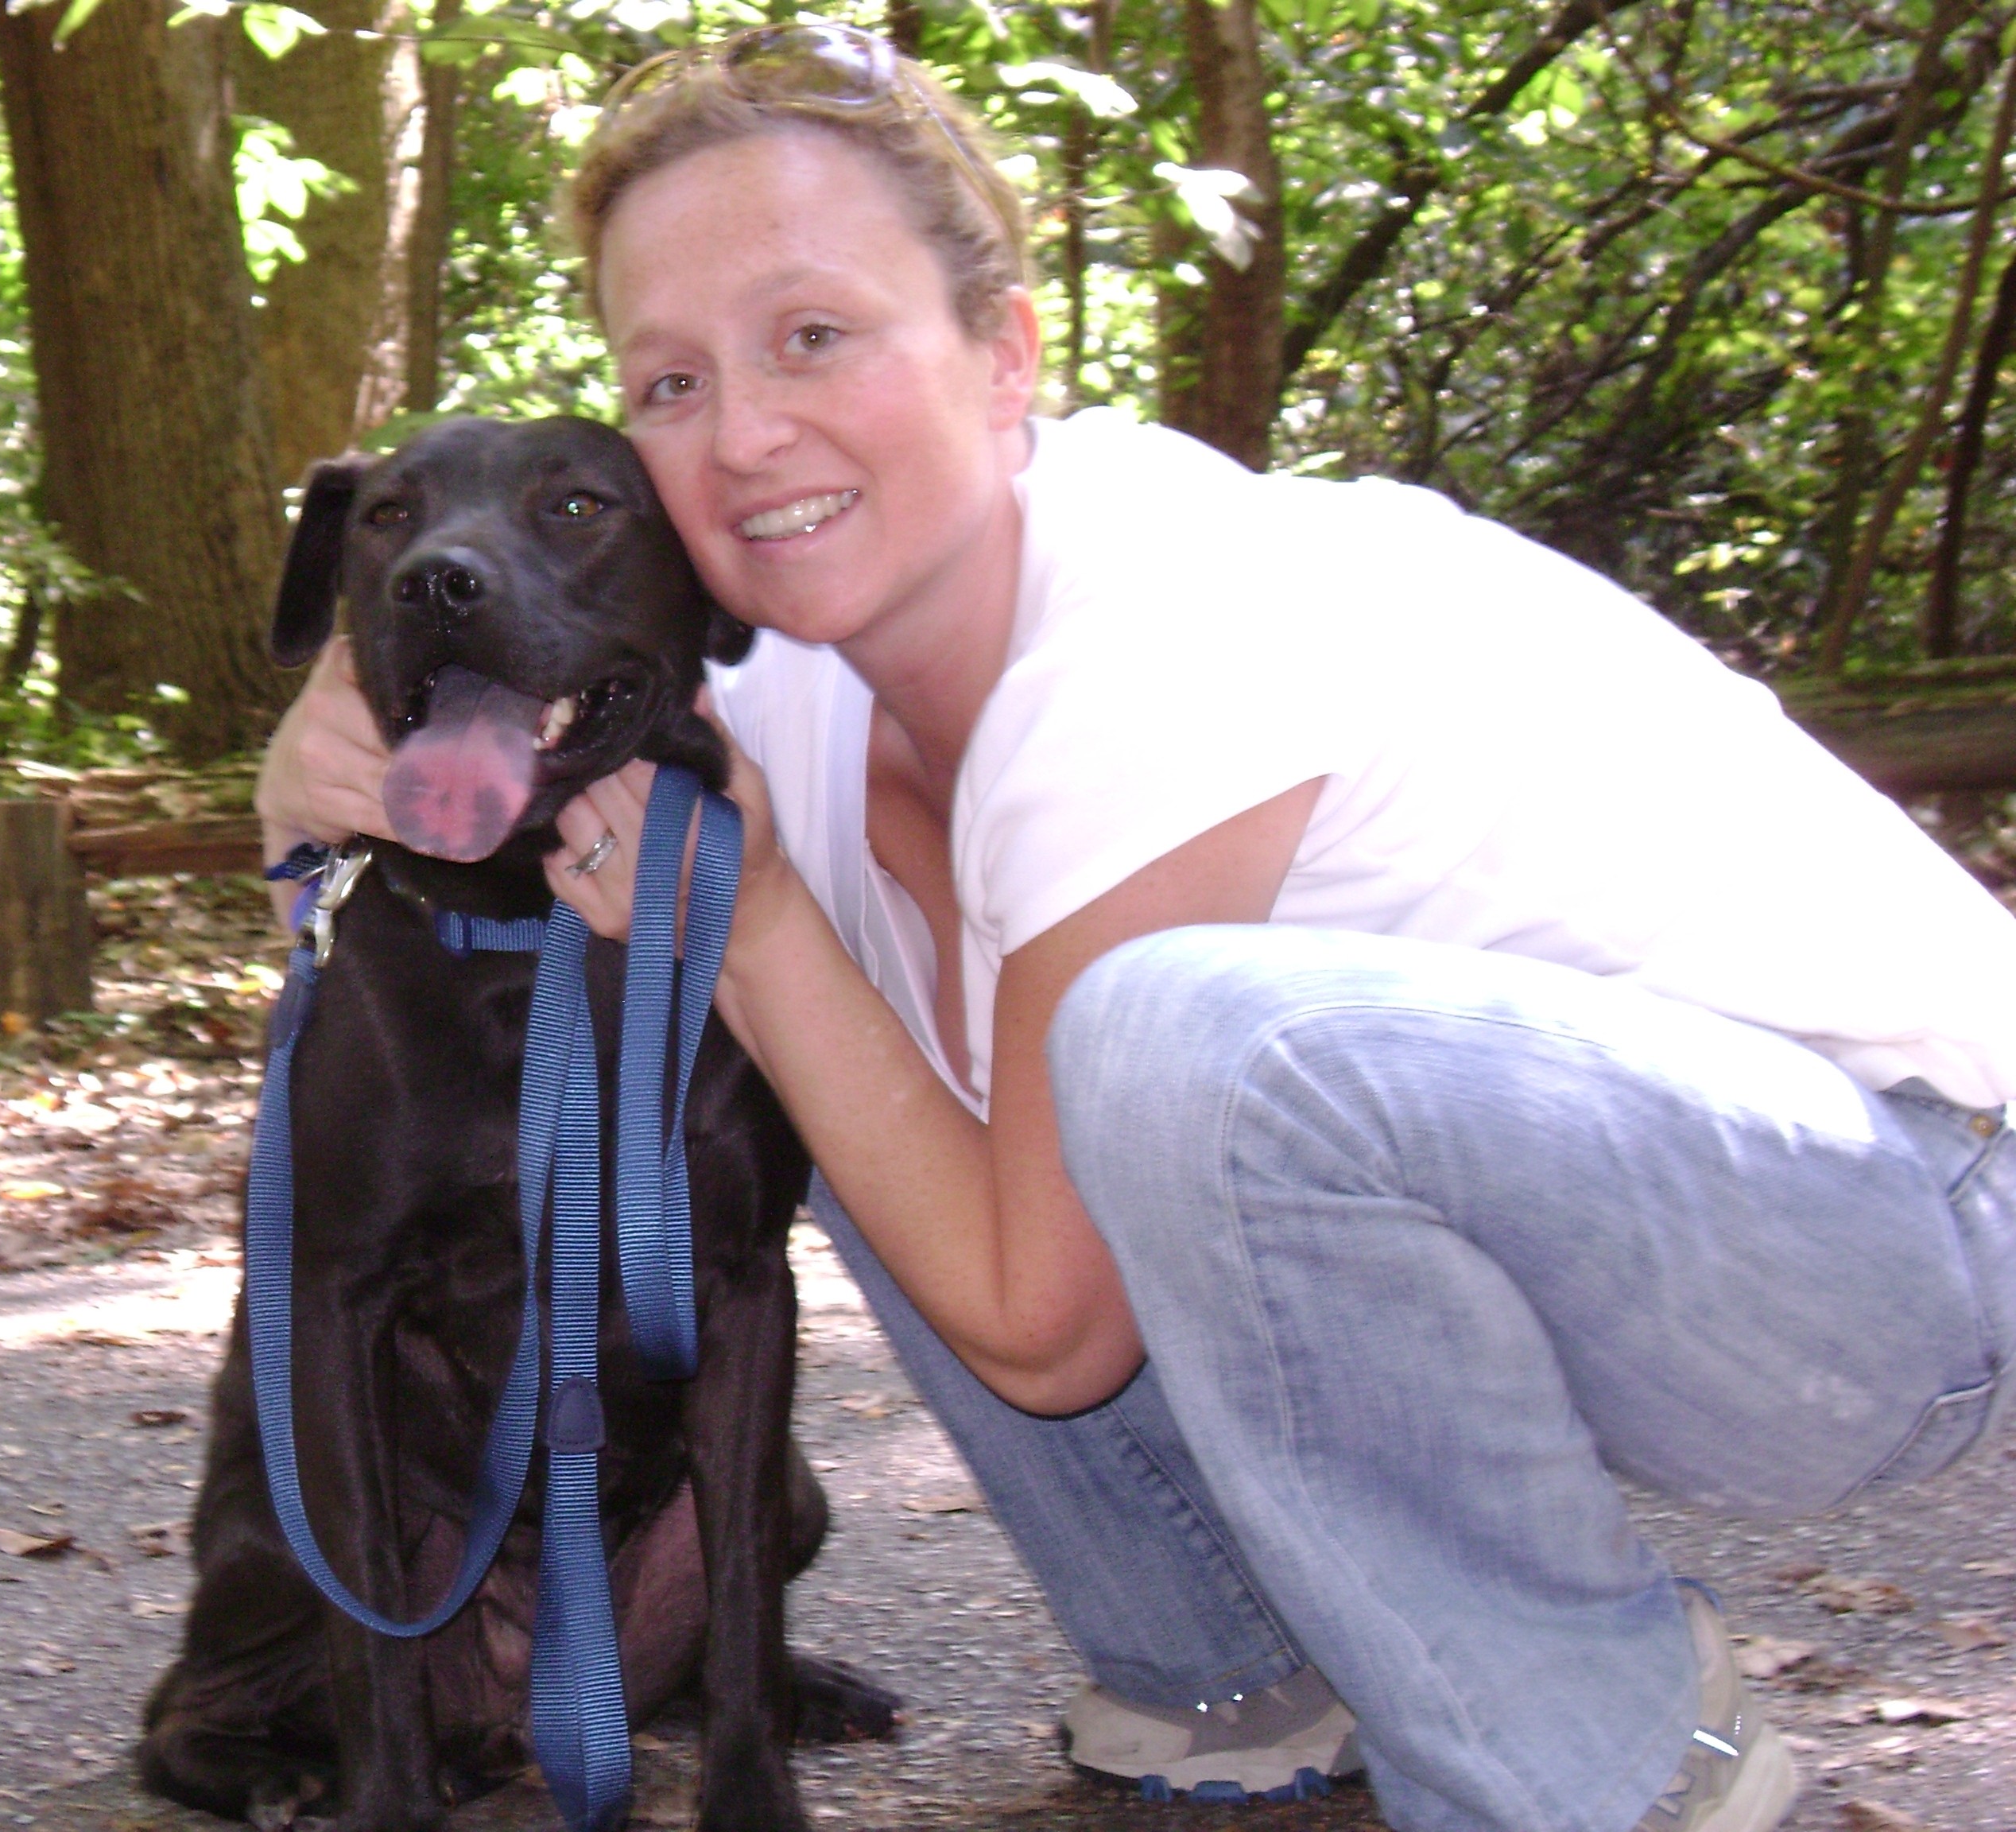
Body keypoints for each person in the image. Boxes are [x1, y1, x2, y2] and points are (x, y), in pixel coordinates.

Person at [254, 25, 2016, 1832]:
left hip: (1893, 1230)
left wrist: (763, 923)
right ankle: (1239, 1663)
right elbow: (459, 679)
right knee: (869, 1060)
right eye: (672, 381)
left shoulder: (1167, 613)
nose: (749, 430)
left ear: (1006, 353)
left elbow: (1047, 1332)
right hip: (1618, 1252)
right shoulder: (797, 674)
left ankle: (1607, 1758)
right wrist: (309, 766)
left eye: (815, 335)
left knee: (1172, 1044)